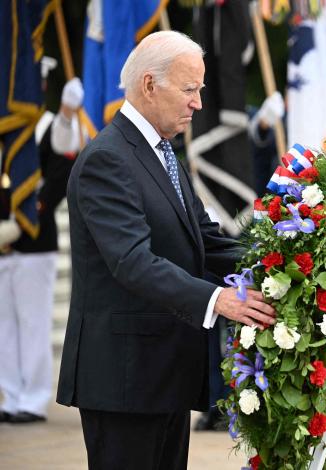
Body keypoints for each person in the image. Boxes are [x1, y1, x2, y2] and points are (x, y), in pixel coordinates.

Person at [56, 31, 277, 470]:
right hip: (123, 378)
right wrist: (220, 300)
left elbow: (205, 239)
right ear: (150, 85)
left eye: (201, 90)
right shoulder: (109, 158)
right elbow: (132, 261)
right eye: (190, 89)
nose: (197, 103)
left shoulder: (162, 151)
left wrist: (281, 258)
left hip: (162, 373)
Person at [0, 60, 84, 425]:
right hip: (4, 241)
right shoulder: (8, 126)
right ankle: (11, 395)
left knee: (32, 323)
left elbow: (61, 170)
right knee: (5, 326)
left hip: (35, 240)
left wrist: (32, 211)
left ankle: (32, 399)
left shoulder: (52, 125)